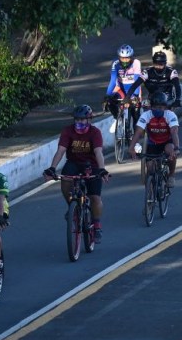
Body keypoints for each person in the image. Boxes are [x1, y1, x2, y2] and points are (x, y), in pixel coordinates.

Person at [42, 105, 110, 242]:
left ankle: (96, 225)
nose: (79, 122)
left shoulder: (95, 132)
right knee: (65, 181)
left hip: (92, 164)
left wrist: (102, 169)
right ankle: (73, 208)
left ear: (89, 120)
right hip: (73, 163)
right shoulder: (67, 131)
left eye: (83, 120)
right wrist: (52, 168)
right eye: (77, 119)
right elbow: (61, 151)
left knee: (95, 197)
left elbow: (98, 152)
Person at [128, 92, 181, 187]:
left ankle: (171, 175)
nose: (157, 110)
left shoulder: (171, 115)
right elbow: (138, 132)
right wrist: (131, 147)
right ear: (151, 107)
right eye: (155, 107)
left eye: (160, 108)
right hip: (153, 142)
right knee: (150, 167)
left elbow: (174, 132)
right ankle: (151, 193)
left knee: (171, 152)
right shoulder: (146, 115)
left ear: (165, 108)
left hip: (167, 142)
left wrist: (176, 148)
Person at [104, 44, 145, 133]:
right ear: (119, 57)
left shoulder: (136, 63)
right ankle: (117, 119)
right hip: (120, 89)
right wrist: (107, 95)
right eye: (122, 58)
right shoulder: (115, 63)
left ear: (131, 57)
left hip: (134, 89)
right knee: (110, 102)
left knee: (135, 114)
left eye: (127, 58)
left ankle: (136, 139)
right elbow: (112, 80)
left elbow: (137, 81)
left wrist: (135, 96)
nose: (125, 60)